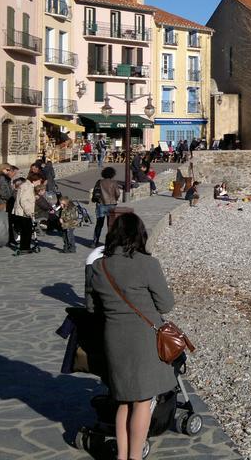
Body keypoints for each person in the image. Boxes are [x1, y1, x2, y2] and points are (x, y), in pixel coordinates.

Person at [86, 214, 177, 460]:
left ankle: (122, 456)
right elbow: (166, 305)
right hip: (143, 339)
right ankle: (135, 457)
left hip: (113, 338)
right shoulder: (148, 264)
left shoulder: (98, 266)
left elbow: (92, 307)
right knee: (142, 401)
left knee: (123, 399)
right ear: (139, 235)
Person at [93, 167, 124, 247]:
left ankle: (95, 241)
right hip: (111, 205)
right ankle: (109, 242)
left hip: (101, 204)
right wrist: (114, 199)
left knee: (99, 224)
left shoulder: (99, 182)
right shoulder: (114, 183)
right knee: (110, 225)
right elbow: (117, 193)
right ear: (112, 174)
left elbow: (95, 192)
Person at [11, 177, 37, 254]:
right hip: (24, 213)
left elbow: (22, 199)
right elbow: (24, 201)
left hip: (20, 212)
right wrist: (29, 212)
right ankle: (25, 248)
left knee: (25, 231)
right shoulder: (27, 187)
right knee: (27, 231)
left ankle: (24, 248)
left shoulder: (24, 187)